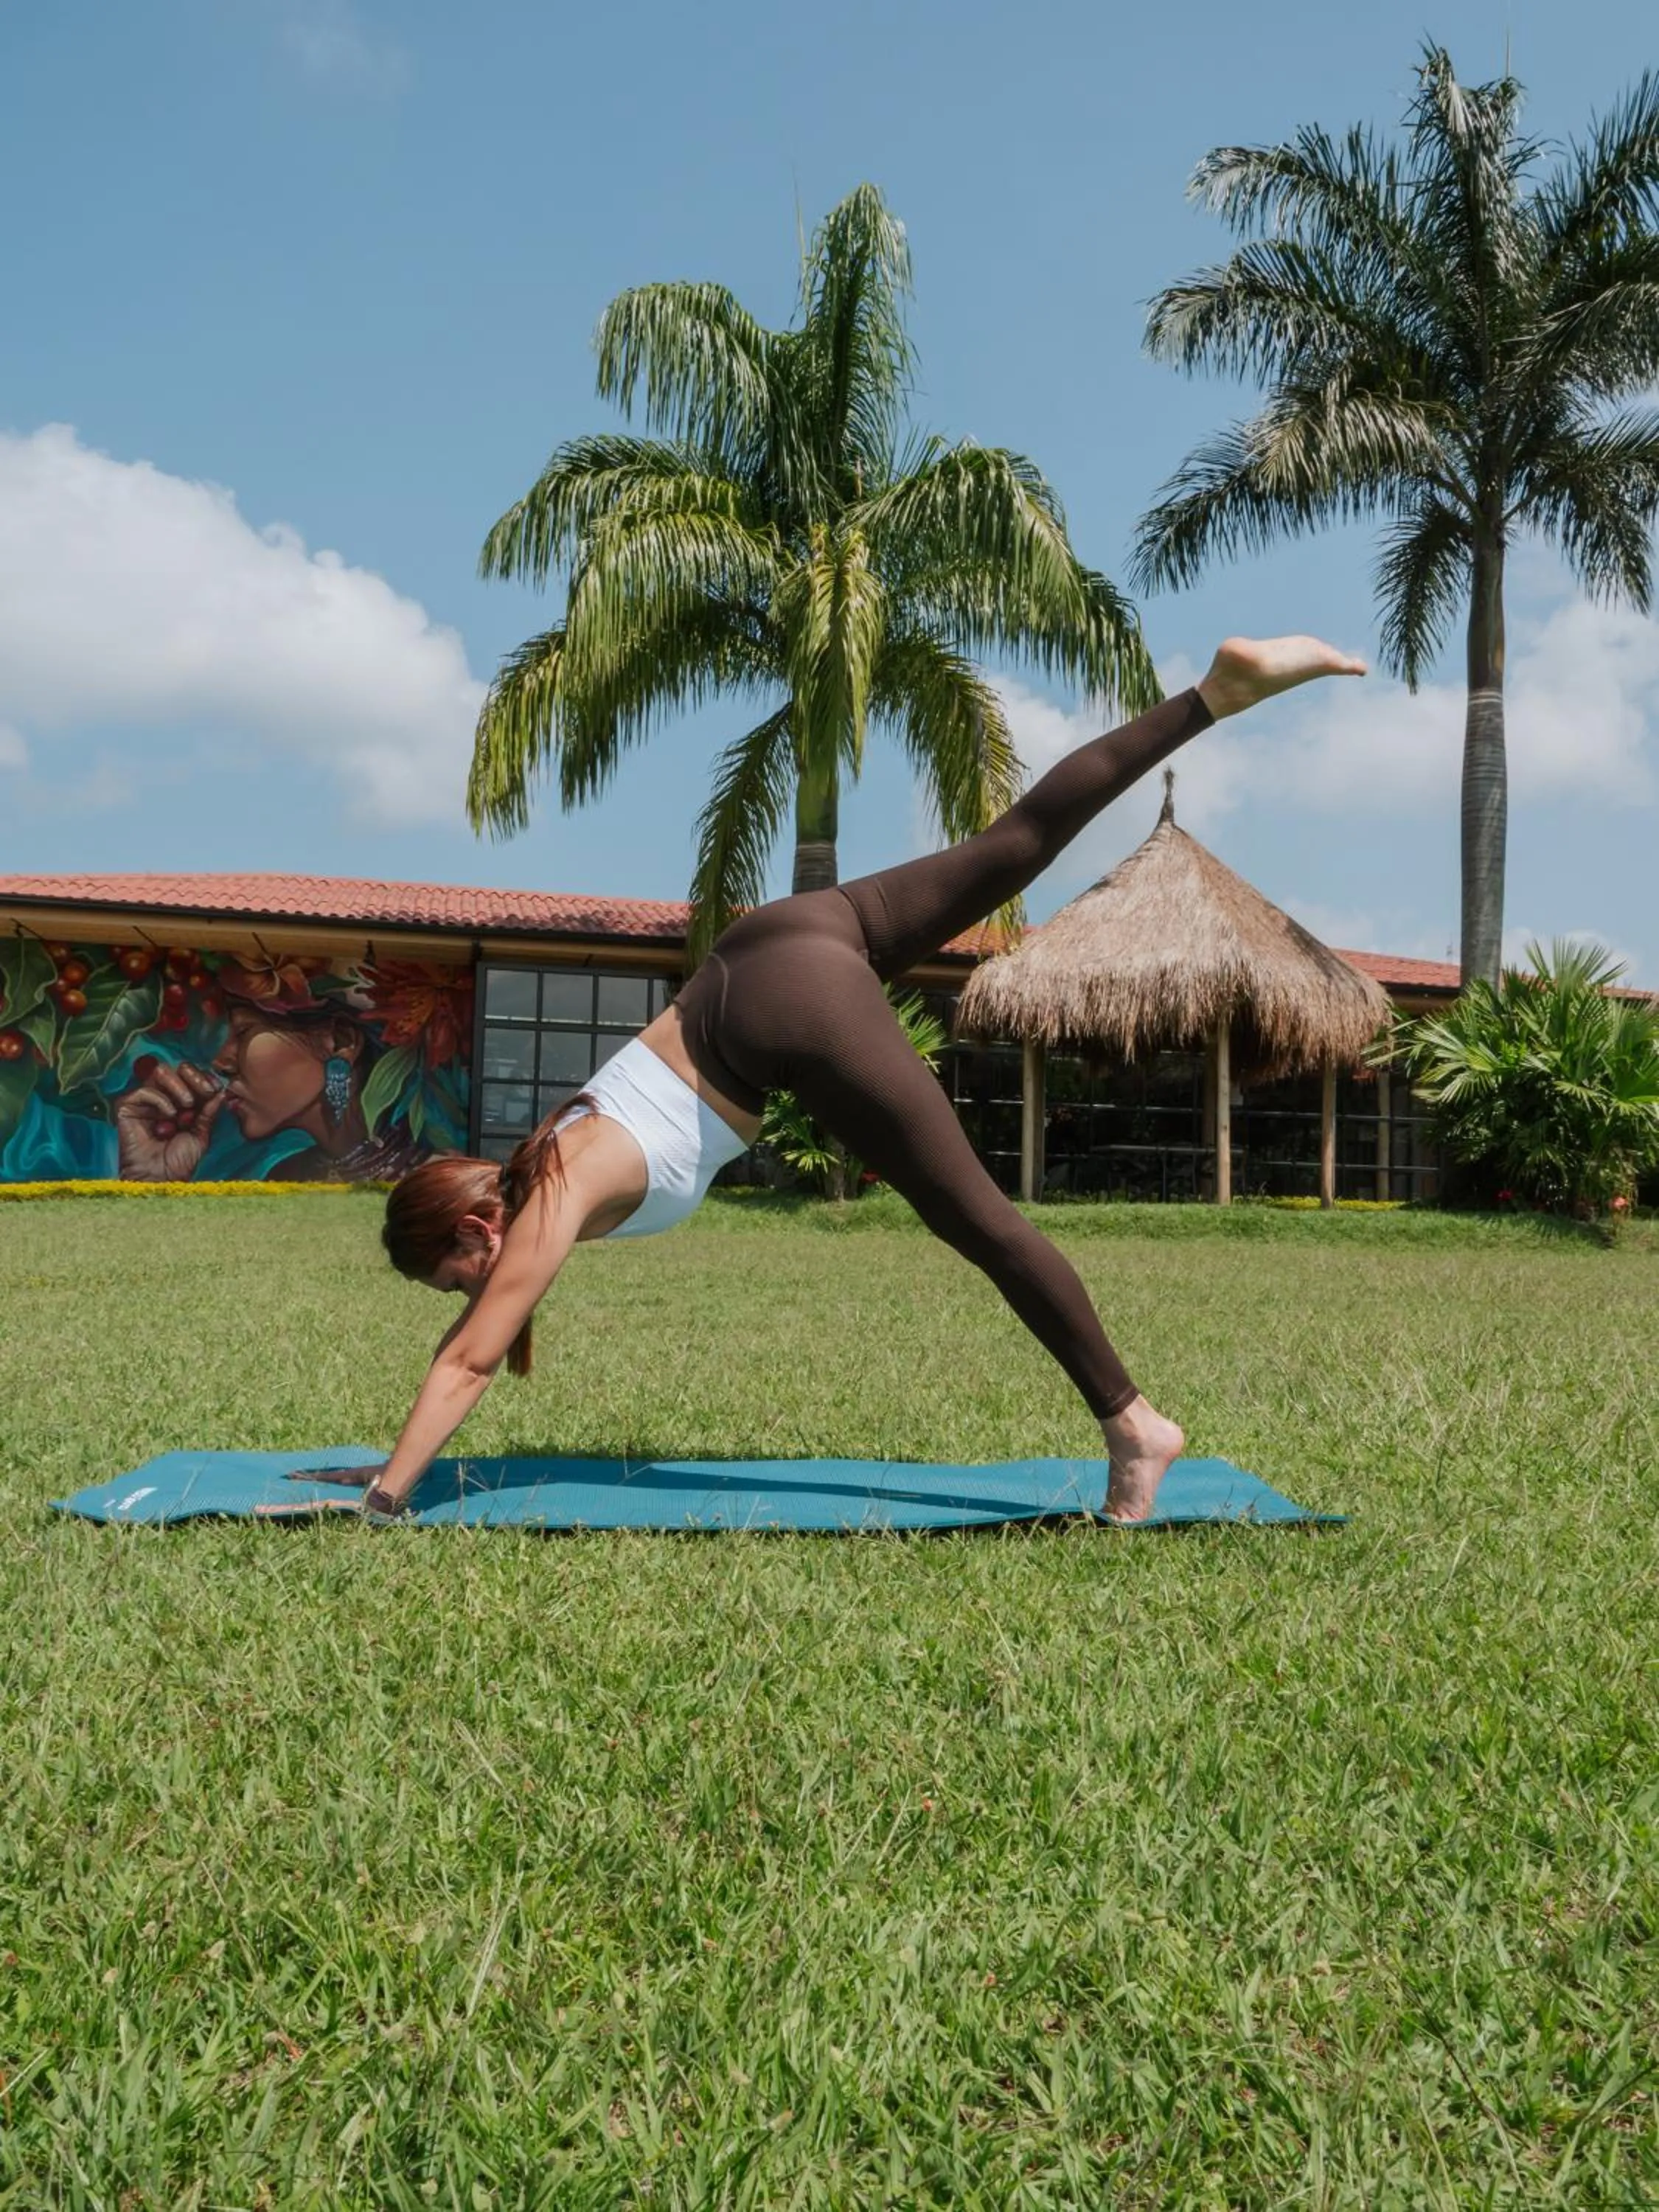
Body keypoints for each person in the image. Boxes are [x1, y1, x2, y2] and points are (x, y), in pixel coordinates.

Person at [361, 637, 1364, 1524]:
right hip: (777, 942)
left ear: (474, 1231)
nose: (472, 1297)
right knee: (1014, 844)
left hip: (786, 1007)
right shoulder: (547, 1157)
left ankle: (1136, 1425)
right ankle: (1214, 694)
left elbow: (467, 1359)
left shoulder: (553, 1192)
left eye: (457, 1276)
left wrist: (384, 1494)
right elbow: (471, 1332)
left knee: (981, 1222)